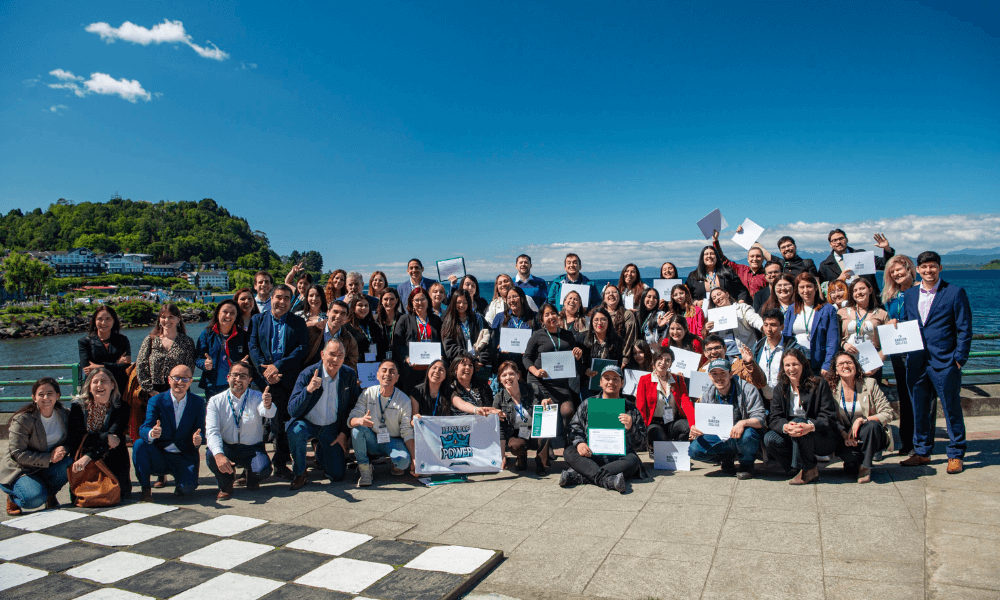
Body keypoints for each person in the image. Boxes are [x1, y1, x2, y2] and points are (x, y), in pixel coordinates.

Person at [900, 251, 973, 474]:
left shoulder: (954, 292)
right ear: (918, 270)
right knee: (919, 409)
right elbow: (906, 323)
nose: (928, 271)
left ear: (940, 268)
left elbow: (965, 328)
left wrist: (959, 359)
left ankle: (956, 453)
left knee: (951, 409)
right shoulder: (910, 294)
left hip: (945, 361)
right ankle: (921, 451)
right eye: (924, 267)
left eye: (933, 266)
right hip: (917, 361)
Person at [248, 284, 309, 479]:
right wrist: (265, 370)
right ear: (271, 298)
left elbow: (301, 349)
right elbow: (253, 346)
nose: (282, 302)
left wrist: (278, 366)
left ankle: (280, 464)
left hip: (286, 379)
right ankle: (251, 465)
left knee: (281, 424)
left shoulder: (298, 322)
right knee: (254, 423)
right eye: (279, 297)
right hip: (261, 379)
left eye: (286, 298)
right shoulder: (257, 320)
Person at [286, 339, 362, 490]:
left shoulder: (348, 374)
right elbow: (292, 410)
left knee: (337, 475)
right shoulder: (308, 374)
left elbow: (353, 406)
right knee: (295, 430)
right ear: (322, 354)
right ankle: (300, 473)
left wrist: (343, 433)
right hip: (308, 423)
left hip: (331, 426)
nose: (336, 359)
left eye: (340, 355)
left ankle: (320, 451)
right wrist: (308, 390)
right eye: (332, 354)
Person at [560, 366, 646, 493]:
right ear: (600, 382)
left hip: (618, 459)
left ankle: (580, 477)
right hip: (591, 455)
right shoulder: (588, 404)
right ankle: (608, 480)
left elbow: (642, 444)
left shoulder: (630, 409)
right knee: (569, 451)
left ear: (622, 383)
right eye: (607, 378)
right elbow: (574, 429)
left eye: (615, 379)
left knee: (633, 460)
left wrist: (631, 428)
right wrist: (580, 443)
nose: (611, 382)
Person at [763, 348, 839, 484]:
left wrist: (810, 426)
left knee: (798, 421)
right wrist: (785, 426)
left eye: (795, 364)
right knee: (769, 438)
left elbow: (829, 417)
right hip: (793, 432)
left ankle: (808, 469)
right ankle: (796, 467)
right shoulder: (780, 388)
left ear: (803, 364)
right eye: (787, 365)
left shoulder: (819, 384)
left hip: (820, 436)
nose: (791, 368)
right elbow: (774, 418)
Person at [133, 364, 205, 501]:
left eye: (185, 379)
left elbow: (201, 430)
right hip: (160, 453)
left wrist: (198, 438)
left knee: (187, 490)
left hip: (183, 454)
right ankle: (145, 488)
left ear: (190, 381)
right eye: (176, 378)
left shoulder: (198, 402)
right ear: (169, 380)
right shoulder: (156, 400)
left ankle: (180, 482)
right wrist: (151, 433)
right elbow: (144, 427)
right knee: (139, 445)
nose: (180, 382)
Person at [205, 361, 275, 499]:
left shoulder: (256, 397)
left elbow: (268, 413)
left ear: (249, 380)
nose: (238, 379)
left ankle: (252, 476)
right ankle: (226, 484)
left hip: (252, 448)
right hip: (228, 447)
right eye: (235, 375)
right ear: (228, 377)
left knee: (263, 470)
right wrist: (219, 455)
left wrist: (268, 405)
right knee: (212, 455)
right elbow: (212, 430)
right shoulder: (216, 401)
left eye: (243, 376)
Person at [2, 378, 72, 515]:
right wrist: (49, 458)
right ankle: (12, 496)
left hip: (47, 466)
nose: (46, 398)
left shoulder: (65, 414)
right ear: (34, 398)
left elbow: (72, 440)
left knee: (69, 463)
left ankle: (50, 494)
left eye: (50, 393)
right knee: (34, 499)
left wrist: (64, 449)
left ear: (58, 395)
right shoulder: (23, 419)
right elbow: (17, 454)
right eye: (41, 394)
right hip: (21, 468)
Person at [688, 358, 766, 480]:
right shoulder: (708, 393)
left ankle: (746, 464)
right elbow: (706, 421)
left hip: (744, 434)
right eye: (714, 374)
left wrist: (743, 423)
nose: (719, 378)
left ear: (730, 374)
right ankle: (726, 457)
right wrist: (697, 428)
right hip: (721, 436)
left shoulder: (748, 389)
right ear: (709, 376)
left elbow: (760, 419)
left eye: (723, 373)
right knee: (694, 450)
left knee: (748, 435)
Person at [827, 352, 895, 483]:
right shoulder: (832, 389)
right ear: (835, 370)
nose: (845, 366)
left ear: (856, 367)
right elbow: (830, 417)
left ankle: (866, 466)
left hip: (868, 433)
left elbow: (888, 413)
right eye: (841, 364)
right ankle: (853, 460)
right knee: (850, 469)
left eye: (849, 362)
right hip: (844, 436)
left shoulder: (869, 384)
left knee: (872, 426)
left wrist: (863, 420)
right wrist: (844, 434)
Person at [67, 368, 131, 502]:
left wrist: (89, 457)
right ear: (89, 387)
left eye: (104, 381)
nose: (99, 385)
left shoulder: (122, 407)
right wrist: (104, 437)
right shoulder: (78, 407)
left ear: (112, 385)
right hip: (83, 453)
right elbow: (76, 438)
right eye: (95, 382)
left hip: (110, 454)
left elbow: (114, 439)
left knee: (121, 494)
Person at [349, 360, 415, 486]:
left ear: (397, 378)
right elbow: (352, 417)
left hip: (393, 441)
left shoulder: (404, 400)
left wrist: (414, 459)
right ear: (377, 375)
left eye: (392, 372)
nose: (387, 374)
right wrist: (359, 420)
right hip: (373, 439)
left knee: (403, 463)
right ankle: (364, 469)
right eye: (384, 370)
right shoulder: (368, 393)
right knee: (357, 429)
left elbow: (407, 431)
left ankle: (395, 463)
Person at [524, 303, 584, 438]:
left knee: (568, 411)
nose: (551, 317)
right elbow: (526, 358)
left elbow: (573, 356)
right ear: (541, 320)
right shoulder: (537, 335)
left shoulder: (568, 335)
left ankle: (568, 444)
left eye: (553, 313)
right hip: (540, 381)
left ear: (558, 315)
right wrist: (535, 371)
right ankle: (545, 448)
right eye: (547, 315)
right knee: (545, 414)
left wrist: (578, 355)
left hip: (561, 383)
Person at [881, 254, 918, 455]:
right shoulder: (891, 296)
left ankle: (920, 442)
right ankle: (907, 442)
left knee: (919, 396)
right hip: (898, 350)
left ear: (909, 269)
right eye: (892, 272)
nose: (896, 274)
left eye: (899, 270)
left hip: (917, 350)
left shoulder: (920, 291)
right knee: (904, 395)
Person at [493, 361, 553, 473]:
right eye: (504, 375)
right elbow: (499, 430)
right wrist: (501, 457)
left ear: (518, 375)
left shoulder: (532, 388)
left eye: (511, 374)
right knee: (515, 445)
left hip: (534, 428)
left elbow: (545, 402)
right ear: (500, 379)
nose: (508, 377)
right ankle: (521, 457)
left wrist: (546, 401)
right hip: (516, 434)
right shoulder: (499, 398)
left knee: (545, 429)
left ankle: (541, 463)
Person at [636, 347, 693, 451]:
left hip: (673, 421)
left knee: (687, 427)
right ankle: (655, 447)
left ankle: (679, 451)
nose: (663, 362)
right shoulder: (644, 380)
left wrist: (693, 424)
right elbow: (641, 406)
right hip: (655, 422)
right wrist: (641, 429)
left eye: (667, 360)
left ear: (671, 364)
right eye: (660, 359)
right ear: (654, 360)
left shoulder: (678, 379)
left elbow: (686, 403)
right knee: (658, 437)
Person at [783, 273, 838, 375]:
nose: (805, 290)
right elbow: (786, 336)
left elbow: (832, 340)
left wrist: (827, 364)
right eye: (802, 287)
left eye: (809, 286)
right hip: (795, 362)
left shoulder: (827, 309)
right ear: (797, 290)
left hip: (818, 362)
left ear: (816, 288)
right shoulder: (791, 309)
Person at [136, 303, 197, 396]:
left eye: (171, 316)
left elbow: (189, 369)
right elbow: (141, 366)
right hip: (153, 392)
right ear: (159, 320)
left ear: (178, 319)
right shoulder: (150, 340)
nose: (167, 320)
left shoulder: (187, 342)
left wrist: (179, 389)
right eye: (163, 317)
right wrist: (150, 390)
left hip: (179, 391)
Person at [195, 299, 250, 399]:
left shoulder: (243, 336)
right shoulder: (207, 334)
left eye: (232, 313)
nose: (228, 316)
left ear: (236, 316)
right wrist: (204, 364)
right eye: (225, 312)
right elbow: (198, 357)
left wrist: (245, 364)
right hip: (213, 386)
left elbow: (249, 357)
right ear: (218, 313)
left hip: (237, 385)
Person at [818, 230, 895, 301]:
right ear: (830, 244)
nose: (838, 242)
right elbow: (823, 290)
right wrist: (839, 281)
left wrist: (887, 249)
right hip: (844, 305)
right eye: (834, 240)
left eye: (841, 238)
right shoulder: (825, 265)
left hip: (870, 302)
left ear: (846, 240)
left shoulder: (862, 255)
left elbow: (884, 265)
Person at [393, 287, 444, 393]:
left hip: (432, 369)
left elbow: (442, 341)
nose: (420, 302)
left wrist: (441, 355)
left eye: (423, 299)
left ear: (428, 301)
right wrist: (406, 358)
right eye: (416, 300)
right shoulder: (404, 319)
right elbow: (397, 344)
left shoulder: (436, 320)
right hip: (411, 370)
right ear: (411, 302)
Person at [837, 278, 890, 377]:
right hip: (847, 361)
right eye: (855, 290)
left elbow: (888, 343)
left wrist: (876, 365)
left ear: (870, 290)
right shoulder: (841, 313)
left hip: (872, 362)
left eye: (862, 289)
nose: (859, 293)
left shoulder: (882, 314)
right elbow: (833, 337)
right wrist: (843, 344)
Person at [749, 308, 801, 401]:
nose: (769, 329)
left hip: (786, 399)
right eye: (766, 325)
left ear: (782, 327)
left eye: (773, 325)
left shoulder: (794, 349)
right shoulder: (757, 348)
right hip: (763, 400)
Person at [78, 305, 131, 394]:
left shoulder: (122, 340)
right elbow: (88, 370)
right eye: (100, 319)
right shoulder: (85, 342)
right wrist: (116, 364)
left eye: (108, 319)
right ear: (94, 321)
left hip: (119, 387)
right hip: (95, 388)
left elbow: (125, 366)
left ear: (114, 321)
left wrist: (100, 366)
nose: (103, 322)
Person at [704, 287, 764, 359]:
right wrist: (707, 330)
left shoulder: (742, 308)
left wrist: (764, 327)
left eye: (719, 294)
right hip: (724, 355)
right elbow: (711, 340)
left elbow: (754, 319)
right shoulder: (713, 316)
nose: (717, 298)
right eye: (714, 298)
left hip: (743, 353)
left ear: (727, 294)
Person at [491, 286, 537, 376]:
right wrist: (499, 346)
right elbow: (493, 341)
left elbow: (539, 340)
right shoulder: (500, 317)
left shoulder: (534, 317)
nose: (511, 300)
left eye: (515, 296)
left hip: (527, 365)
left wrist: (531, 349)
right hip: (505, 363)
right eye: (509, 298)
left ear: (522, 298)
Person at [579, 308, 625, 397]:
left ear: (609, 322)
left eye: (603, 319)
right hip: (588, 384)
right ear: (591, 322)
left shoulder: (617, 341)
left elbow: (618, 364)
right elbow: (576, 363)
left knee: (607, 409)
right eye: (596, 320)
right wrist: (585, 370)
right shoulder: (582, 339)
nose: (599, 323)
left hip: (609, 384)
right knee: (592, 410)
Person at [685, 245, 750, 305]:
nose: (709, 256)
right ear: (702, 258)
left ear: (717, 257)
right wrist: (696, 302)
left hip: (728, 310)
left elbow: (742, 290)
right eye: (706, 254)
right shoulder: (693, 276)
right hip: (703, 314)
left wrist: (741, 303)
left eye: (712, 253)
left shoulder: (728, 273)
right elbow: (686, 295)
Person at [442, 289, 490, 367]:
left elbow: (486, 340)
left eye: (465, 302)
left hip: (478, 364)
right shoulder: (448, 322)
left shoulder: (477, 319)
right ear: (454, 303)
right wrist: (471, 358)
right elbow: (450, 348)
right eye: (458, 302)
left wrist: (482, 360)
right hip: (459, 366)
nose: (462, 305)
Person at [712, 230, 767, 297]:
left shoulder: (767, 275)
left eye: (758, 256)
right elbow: (723, 260)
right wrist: (715, 241)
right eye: (752, 256)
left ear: (763, 258)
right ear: (748, 259)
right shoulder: (741, 269)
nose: (755, 259)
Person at [698, 334, 764, 388]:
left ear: (725, 349)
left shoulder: (740, 365)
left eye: (717, 348)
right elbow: (697, 398)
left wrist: (750, 363)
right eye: (709, 349)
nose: (713, 352)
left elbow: (760, 384)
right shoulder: (702, 371)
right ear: (705, 353)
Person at [599, 284, 638, 365]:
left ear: (620, 296)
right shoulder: (598, 314)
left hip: (619, 357)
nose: (611, 294)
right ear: (604, 299)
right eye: (608, 293)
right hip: (600, 355)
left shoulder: (627, 314)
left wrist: (625, 358)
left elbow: (630, 338)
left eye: (614, 292)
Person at [316, 300, 360, 370]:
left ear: (346, 318)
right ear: (327, 312)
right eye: (335, 312)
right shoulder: (312, 330)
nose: (338, 316)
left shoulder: (350, 340)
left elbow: (351, 364)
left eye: (343, 314)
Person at [347, 295, 382, 363]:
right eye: (360, 305)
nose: (363, 308)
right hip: (356, 367)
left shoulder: (375, 326)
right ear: (353, 307)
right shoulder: (347, 327)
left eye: (366, 305)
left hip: (374, 365)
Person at [376, 288, 404, 360]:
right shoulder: (375, 320)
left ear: (397, 300)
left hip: (400, 360)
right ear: (381, 300)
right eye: (385, 299)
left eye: (392, 299)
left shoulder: (403, 319)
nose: (389, 302)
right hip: (380, 360)